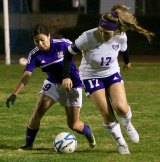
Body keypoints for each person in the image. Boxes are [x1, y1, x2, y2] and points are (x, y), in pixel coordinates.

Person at [62, 4, 154, 154]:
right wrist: (66, 76)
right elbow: (68, 54)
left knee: (121, 107)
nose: (104, 35)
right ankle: (121, 143)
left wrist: (127, 61)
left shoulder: (121, 36)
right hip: (91, 75)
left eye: (108, 33)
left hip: (111, 73)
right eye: (102, 31)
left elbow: (124, 49)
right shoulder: (87, 37)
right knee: (106, 112)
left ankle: (128, 123)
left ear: (116, 30)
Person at [6, 24, 96, 150]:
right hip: (53, 83)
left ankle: (87, 131)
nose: (40, 43)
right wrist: (15, 93)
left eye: (42, 39)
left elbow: (82, 52)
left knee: (73, 124)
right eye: (36, 41)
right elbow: (26, 75)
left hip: (72, 85)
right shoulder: (35, 54)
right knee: (36, 114)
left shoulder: (63, 44)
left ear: (48, 36)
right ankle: (28, 144)